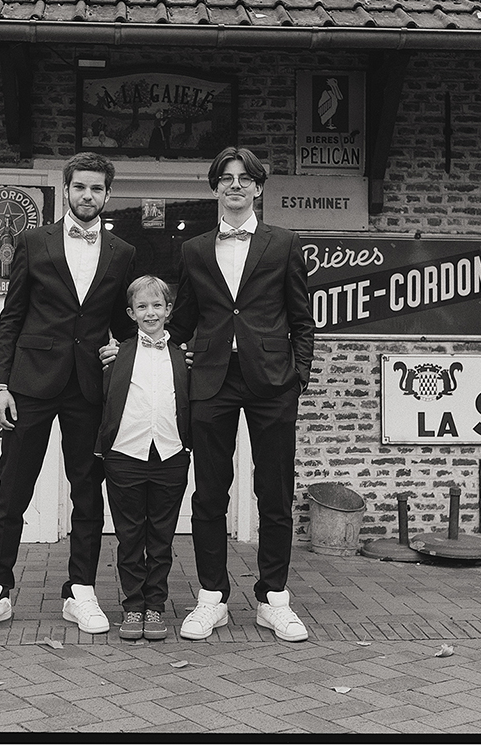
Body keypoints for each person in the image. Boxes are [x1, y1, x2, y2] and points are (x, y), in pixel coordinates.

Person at [0, 152, 136, 636]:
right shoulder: (33, 242)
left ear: (108, 194)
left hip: (88, 388)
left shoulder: (122, 252)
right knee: (14, 488)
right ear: (67, 190)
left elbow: (121, 323)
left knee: (87, 491)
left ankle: (80, 590)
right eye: (80, 187)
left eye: (97, 189)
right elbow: (11, 317)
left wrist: (122, 349)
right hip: (30, 384)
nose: (88, 196)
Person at [167, 146, 314, 642]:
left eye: (244, 178)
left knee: (273, 493)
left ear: (257, 187)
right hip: (211, 379)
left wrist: (299, 377)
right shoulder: (193, 249)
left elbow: (302, 319)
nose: (235, 185)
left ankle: (274, 598)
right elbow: (183, 318)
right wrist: (168, 354)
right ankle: (212, 597)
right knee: (209, 492)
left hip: (272, 380)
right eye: (226, 177)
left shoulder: (284, 243)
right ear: (215, 187)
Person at [95, 276, 191, 641]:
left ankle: (156, 606)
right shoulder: (117, 355)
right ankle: (133, 606)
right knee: (130, 535)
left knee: (162, 537)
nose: (150, 312)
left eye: (157, 306)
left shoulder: (183, 355)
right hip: (125, 454)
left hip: (170, 452)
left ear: (168, 310)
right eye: (142, 307)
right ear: (131, 313)